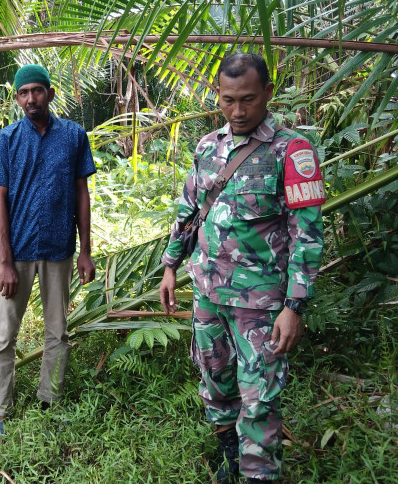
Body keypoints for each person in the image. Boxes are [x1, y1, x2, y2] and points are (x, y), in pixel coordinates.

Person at [159, 53, 325, 483]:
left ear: (268, 93)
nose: (238, 110)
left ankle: (258, 474)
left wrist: (295, 305)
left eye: (248, 99)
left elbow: (306, 235)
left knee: (259, 398)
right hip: (208, 295)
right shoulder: (207, 147)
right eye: (228, 100)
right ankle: (230, 453)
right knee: (214, 380)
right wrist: (170, 265)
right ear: (218, 95)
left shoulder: (292, 151)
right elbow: (189, 212)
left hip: (262, 304)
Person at [0, 64, 97, 440]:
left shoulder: (74, 136)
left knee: (57, 332)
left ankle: (50, 401)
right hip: (20, 253)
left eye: (37, 91)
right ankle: (0, 411)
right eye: (23, 92)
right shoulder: (6, 141)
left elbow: (82, 193)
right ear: (17, 98)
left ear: (50, 92)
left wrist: (85, 252)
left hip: (60, 249)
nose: (31, 98)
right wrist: (5, 263)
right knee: (4, 336)